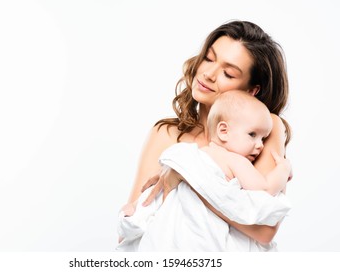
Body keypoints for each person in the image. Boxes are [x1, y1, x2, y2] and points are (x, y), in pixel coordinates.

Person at [122, 20, 291, 245]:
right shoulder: (166, 134)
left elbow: (264, 229)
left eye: (228, 73)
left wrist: (186, 175)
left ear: (252, 90)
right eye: (209, 58)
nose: (208, 74)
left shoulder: (263, 131)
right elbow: (132, 228)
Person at [116, 90, 292, 251]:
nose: (260, 146)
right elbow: (266, 189)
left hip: (169, 236)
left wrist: (136, 211)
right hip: (200, 238)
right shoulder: (235, 160)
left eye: (263, 138)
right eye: (252, 135)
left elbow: (158, 193)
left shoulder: (193, 154)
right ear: (223, 131)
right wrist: (283, 169)